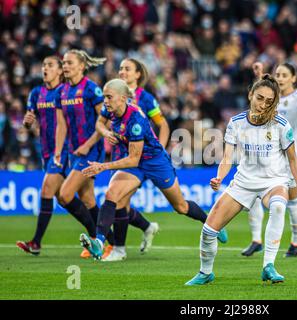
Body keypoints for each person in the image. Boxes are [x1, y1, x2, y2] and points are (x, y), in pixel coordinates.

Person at [185, 74, 297, 285]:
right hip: (244, 182)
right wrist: (219, 177)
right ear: (250, 95)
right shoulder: (236, 123)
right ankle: (205, 272)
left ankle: (268, 266)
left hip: (274, 181)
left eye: (269, 101)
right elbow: (227, 157)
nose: (263, 104)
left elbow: (293, 160)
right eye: (260, 98)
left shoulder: (281, 125)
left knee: (279, 206)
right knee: (208, 231)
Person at [79, 79, 228, 260]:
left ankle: (211, 223)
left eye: (109, 97)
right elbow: (99, 124)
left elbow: (134, 158)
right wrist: (107, 133)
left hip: (155, 162)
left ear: (123, 98)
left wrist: (103, 166)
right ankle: (99, 242)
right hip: (135, 163)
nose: (105, 101)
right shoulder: (109, 109)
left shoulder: (135, 120)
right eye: (104, 97)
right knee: (112, 194)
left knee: (181, 206)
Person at [241, 62, 297, 258]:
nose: (280, 78)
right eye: (278, 74)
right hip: (267, 158)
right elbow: (258, 95)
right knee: (253, 197)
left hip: (292, 159)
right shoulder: (271, 98)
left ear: (294, 78)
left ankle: (296, 240)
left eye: (285, 75)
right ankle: (256, 240)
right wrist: (260, 75)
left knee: (292, 203)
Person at [95, 58, 171, 261]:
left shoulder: (144, 99)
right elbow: (100, 123)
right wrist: (105, 133)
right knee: (121, 202)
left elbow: (162, 124)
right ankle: (146, 228)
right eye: (120, 68)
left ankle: (118, 249)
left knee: (119, 200)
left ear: (138, 74)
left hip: (139, 158)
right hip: (121, 155)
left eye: (127, 69)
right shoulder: (111, 94)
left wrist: (161, 148)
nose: (122, 72)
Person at [53, 49, 114, 258]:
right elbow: (61, 125)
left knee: (64, 195)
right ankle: (106, 242)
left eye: (70, 62)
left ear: (81, 66)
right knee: (87, 199)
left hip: (91, 150)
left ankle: (97, 240)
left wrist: (89, 144)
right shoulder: (61, 91)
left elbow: (103, 121)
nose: (65, 66)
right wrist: (58, 150)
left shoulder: (91, 89)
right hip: (73, 151)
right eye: (63, 63)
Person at [16, 56, 71, 255]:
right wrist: (27, 123)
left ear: (59, 71)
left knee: (47, 190)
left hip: (64, 150)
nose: (45, 68)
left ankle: (36, 242)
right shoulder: (36, 93)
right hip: (46, 151)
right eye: (43, 65)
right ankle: (99, 235)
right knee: (65, 199)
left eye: (50, 65)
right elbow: (30, 122)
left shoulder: (65, 93)